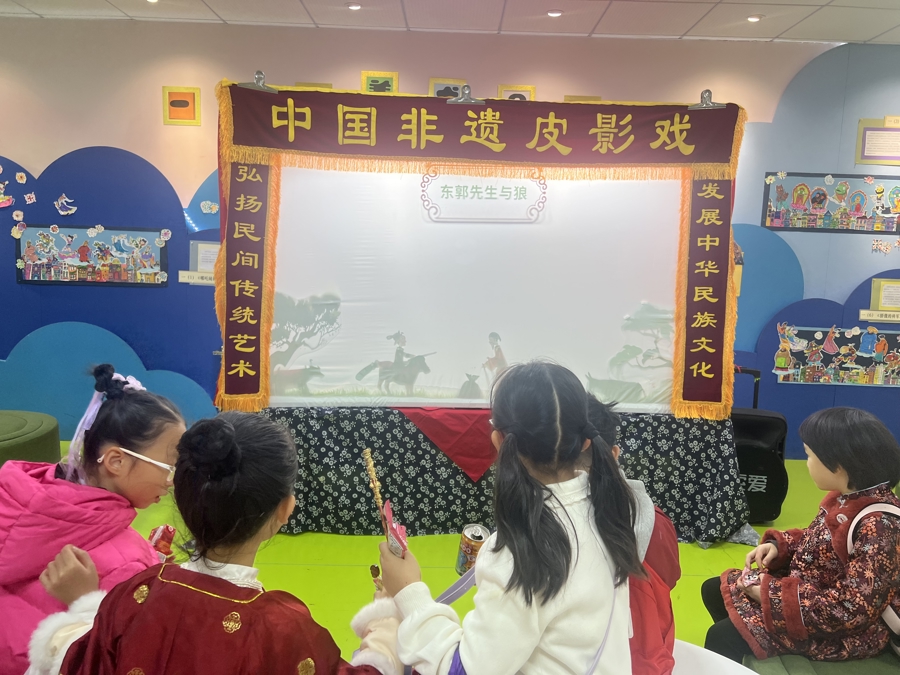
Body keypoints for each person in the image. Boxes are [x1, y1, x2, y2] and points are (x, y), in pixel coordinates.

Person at [29, 412, 402, 675]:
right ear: (285, 509)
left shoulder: (134, 594)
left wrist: (85, 606)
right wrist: (387, 618)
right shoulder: (282, 628)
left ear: (181, 497)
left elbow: (82, 658)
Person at [379, 361, 644, 675]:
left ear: (499, 440)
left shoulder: (523, 552)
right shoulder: (609, 507)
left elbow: (463, 670)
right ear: (586, 441)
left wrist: (409, 591)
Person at [0, 364, 183, 675]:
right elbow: (130, 657)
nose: (171, 481)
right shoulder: (129, 562)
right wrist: (90, 599)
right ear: (116, 461)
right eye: (170, 466)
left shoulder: (18, 503)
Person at [702, 407, 900, 663]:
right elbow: (821, 540)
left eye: (809, 455)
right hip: (811, 595)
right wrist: (779, 545)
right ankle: (748, 651)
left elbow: (850, 611)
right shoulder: (847, 498)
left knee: (722, 637)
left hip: (849, 631)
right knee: (713, 590)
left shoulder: (880, 526)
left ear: (838, 465)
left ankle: (747, 650)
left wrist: (770, 595)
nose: (806, 463)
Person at [584, 394, 679, 675]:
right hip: (643, 660)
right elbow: (669, 578)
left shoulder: (539, 526)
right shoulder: (655, 522)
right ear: (614, 453)